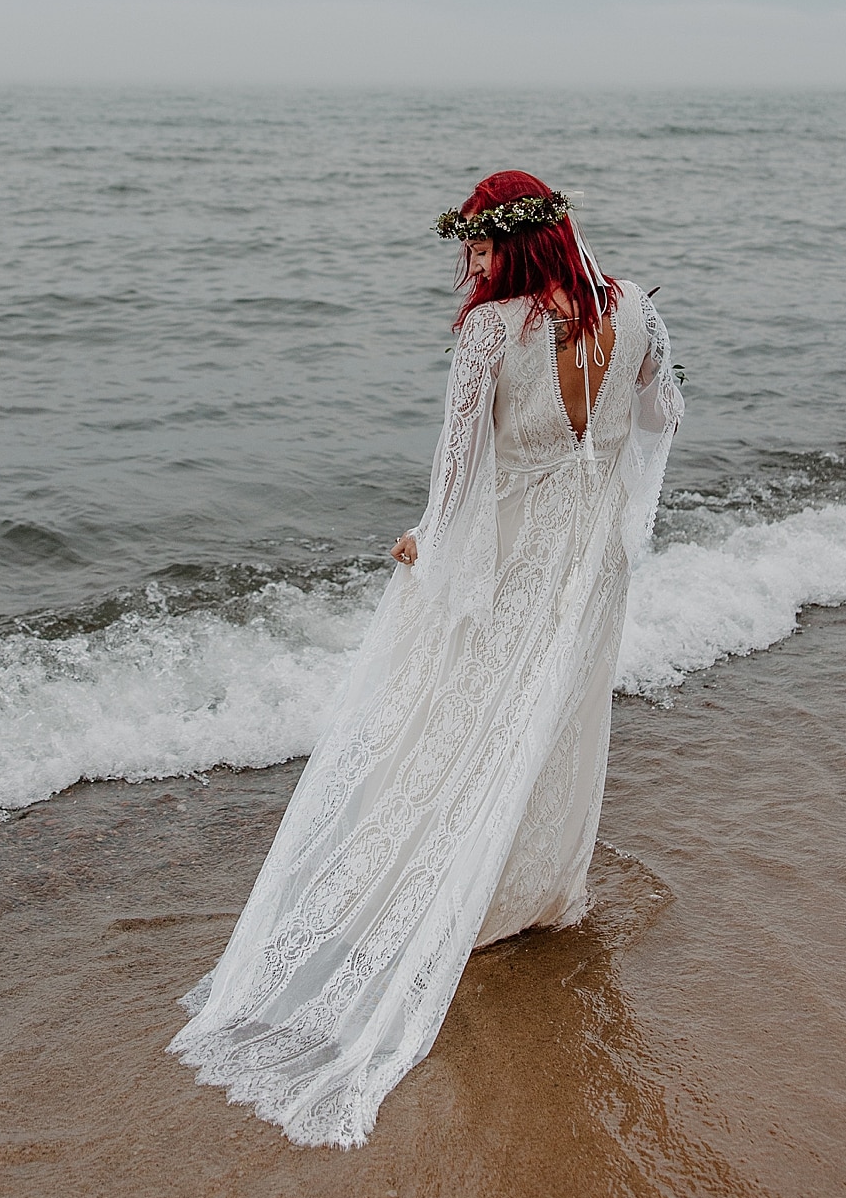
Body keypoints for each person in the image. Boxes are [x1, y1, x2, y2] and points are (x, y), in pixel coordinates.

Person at [169, 171, 683, 1147]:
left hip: (514, 552)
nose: (469, 265)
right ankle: (543, 890)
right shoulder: (639, 311)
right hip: (593, 557)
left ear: (516, 245)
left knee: (456, 705)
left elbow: (454, 472)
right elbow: (663, 423)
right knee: (560, 719)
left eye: (480, 248)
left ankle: (466, 896)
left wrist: (426, 542)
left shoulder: (494, 332)